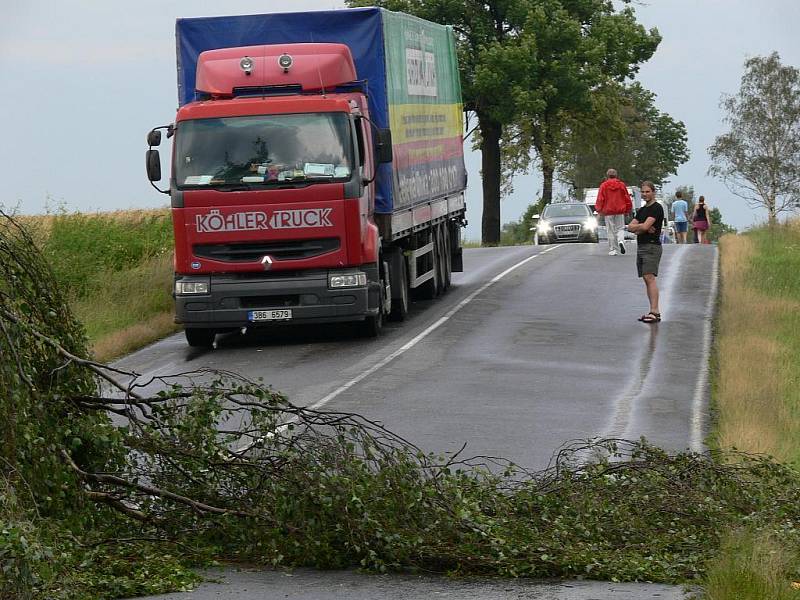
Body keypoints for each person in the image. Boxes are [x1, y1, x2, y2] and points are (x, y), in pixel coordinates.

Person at [624, 181, 664, 323]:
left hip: (652, 246)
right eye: (643, 192)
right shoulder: (641, 210)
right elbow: (630, 227)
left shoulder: (656, 208)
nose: (645, 194)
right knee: (646, 279)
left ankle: (655, 311)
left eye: (648, 191)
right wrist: (642, 227)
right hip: (641, 246)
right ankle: (651, 310)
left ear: (653, 192)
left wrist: (641, 227)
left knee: (650, 277)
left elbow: (647, 226)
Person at [595, 168, 633, 256]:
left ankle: (613, 249)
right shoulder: (621, 185)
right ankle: (620, 240)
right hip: (620, 210)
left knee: (610, 230)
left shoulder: (604, 185)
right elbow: (626, 198)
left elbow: (600, 199)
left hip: (608, 211)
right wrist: (628, 209)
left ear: (607, 176)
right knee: (620, 228)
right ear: (616, 175)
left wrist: (599, 210)